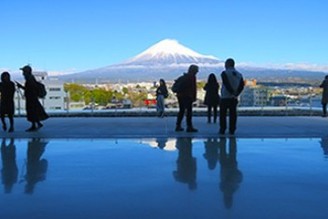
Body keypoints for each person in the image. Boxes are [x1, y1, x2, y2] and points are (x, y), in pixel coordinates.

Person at [16, 65, 49, 132]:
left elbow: (29, 89)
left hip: (31, 98)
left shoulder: (29, 79)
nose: (23, 73)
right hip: (33, 98)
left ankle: (34, 125)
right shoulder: (31, 78)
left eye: (23, 71)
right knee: (35, 111)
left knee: (31, 111)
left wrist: (21, 87)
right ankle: (38, 123)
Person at [219, 58, 244, 135]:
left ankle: (223, 129)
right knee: (233, 114)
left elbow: (226, 84)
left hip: (225, 97)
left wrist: (231, 92)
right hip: (234, 98)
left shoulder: (224, 73)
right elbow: (241, 86)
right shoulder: (239, 74)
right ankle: (232, 129)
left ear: (227, 64)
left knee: (223, 114)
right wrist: (236, 94)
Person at [175, 64, 199, 132]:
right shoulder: (192, 77)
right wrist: (194, 97)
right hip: (188, 96)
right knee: (189, 112)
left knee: (181, 110)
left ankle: (178, 125)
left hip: (180, 95)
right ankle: (189, 126)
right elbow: (193, 88)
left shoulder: (185, 76)